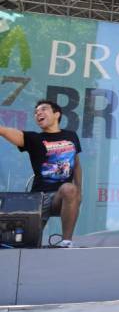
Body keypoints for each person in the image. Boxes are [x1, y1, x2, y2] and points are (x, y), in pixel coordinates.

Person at [0, 100, 82, 248]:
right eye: (36, 112)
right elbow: (6, 131)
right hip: (38, 199)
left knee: (69, 189)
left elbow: (76, 164)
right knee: (28, 246)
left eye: (43, 109)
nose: (38, 113)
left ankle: (66, 242)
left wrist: (79, 192)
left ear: (57, 114)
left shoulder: (71, 136)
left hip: (60, 196)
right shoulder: (34, 139)